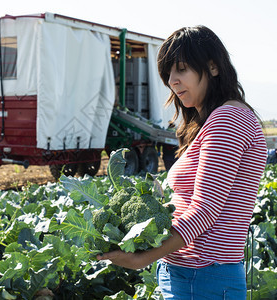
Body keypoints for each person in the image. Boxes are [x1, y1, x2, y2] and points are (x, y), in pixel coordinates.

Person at [97, 25, 267, 299]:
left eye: (182, 69)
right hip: (194, 276)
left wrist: (143, 258)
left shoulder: (228, 119)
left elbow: (205, 211)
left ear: (213, 67)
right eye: (168, 73)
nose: (172, 81)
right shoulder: (212, 121)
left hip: (203, 278)